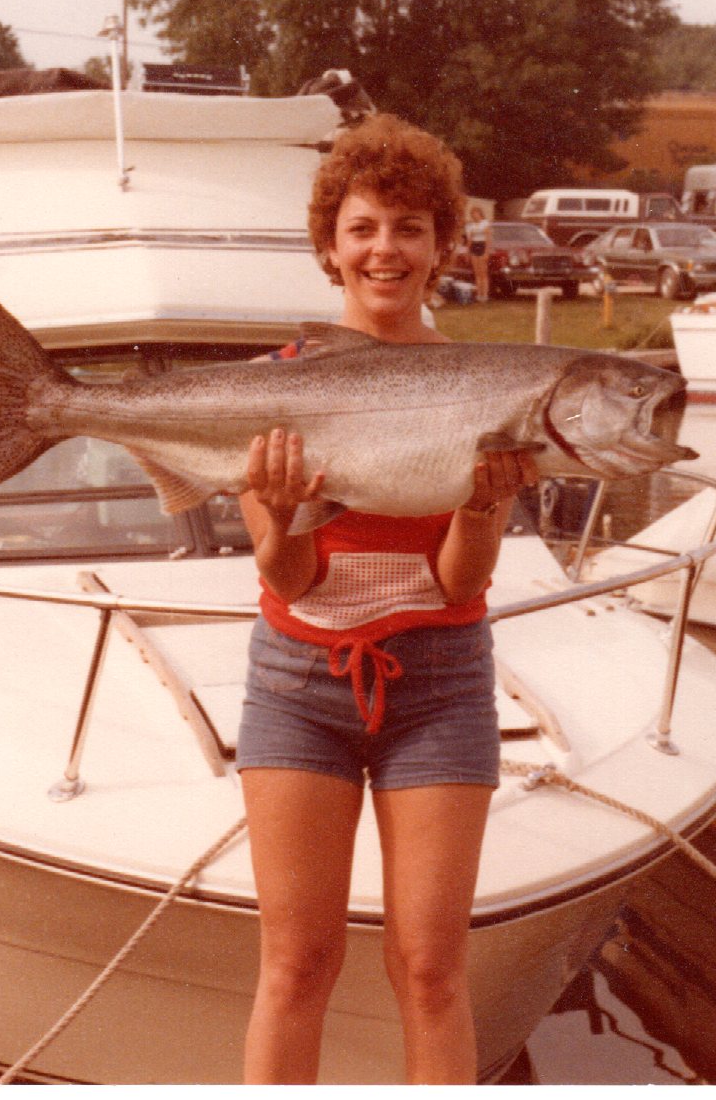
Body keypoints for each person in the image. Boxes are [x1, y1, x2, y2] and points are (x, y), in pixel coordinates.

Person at [235, 113, 538, 1084]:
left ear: (442, 245)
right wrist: (285, 512)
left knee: (431, 971)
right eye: (362, 227)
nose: (385, 249)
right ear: (329, 246)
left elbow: (459, 583)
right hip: (296, 683)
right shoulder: (272, 389)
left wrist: (483, 504)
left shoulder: (481, 386)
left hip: (439, 682)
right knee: (295, 965)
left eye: (409, 228)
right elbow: (287, 578)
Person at [464, 204, 493, 302]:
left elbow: (488, 239)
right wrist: (467, 252)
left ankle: (484, 295)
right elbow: (469, 240)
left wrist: (486, 252)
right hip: (474, 247)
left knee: (483, 273)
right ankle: (478, 295)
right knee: (477, 273)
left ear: (480, 214)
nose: (474, 215)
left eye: (476, 213)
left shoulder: (485, 223)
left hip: (482, 246)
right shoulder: (469, 226)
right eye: (472, 214)